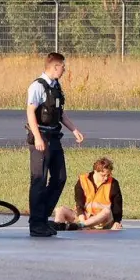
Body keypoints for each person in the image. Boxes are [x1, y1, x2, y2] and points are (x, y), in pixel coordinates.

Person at [26, 52, 85, 237]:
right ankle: (36, 224)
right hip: (41, 136)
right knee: (39, 180)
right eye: (63, 67)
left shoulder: (56, 86)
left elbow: (60, 113)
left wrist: (74, 129)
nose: (64, 70)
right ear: (55, 67)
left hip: (54, 136)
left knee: (60, 177)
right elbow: (30, 112)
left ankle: (43, 217)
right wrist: (37, 138)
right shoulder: (37, 86)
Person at [53, 157, 124, 231]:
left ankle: (80, 225)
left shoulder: (113, 183)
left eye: (108, 175)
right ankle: (58, 228)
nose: (106, 178)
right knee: (60, 210)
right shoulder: (83, 180)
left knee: (107, 211)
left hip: (102, 221)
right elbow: (79, 202)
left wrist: (117, 222)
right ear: (95, 171)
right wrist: (82, 217)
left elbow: (117, 205)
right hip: (84, 216)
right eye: (103, 175)